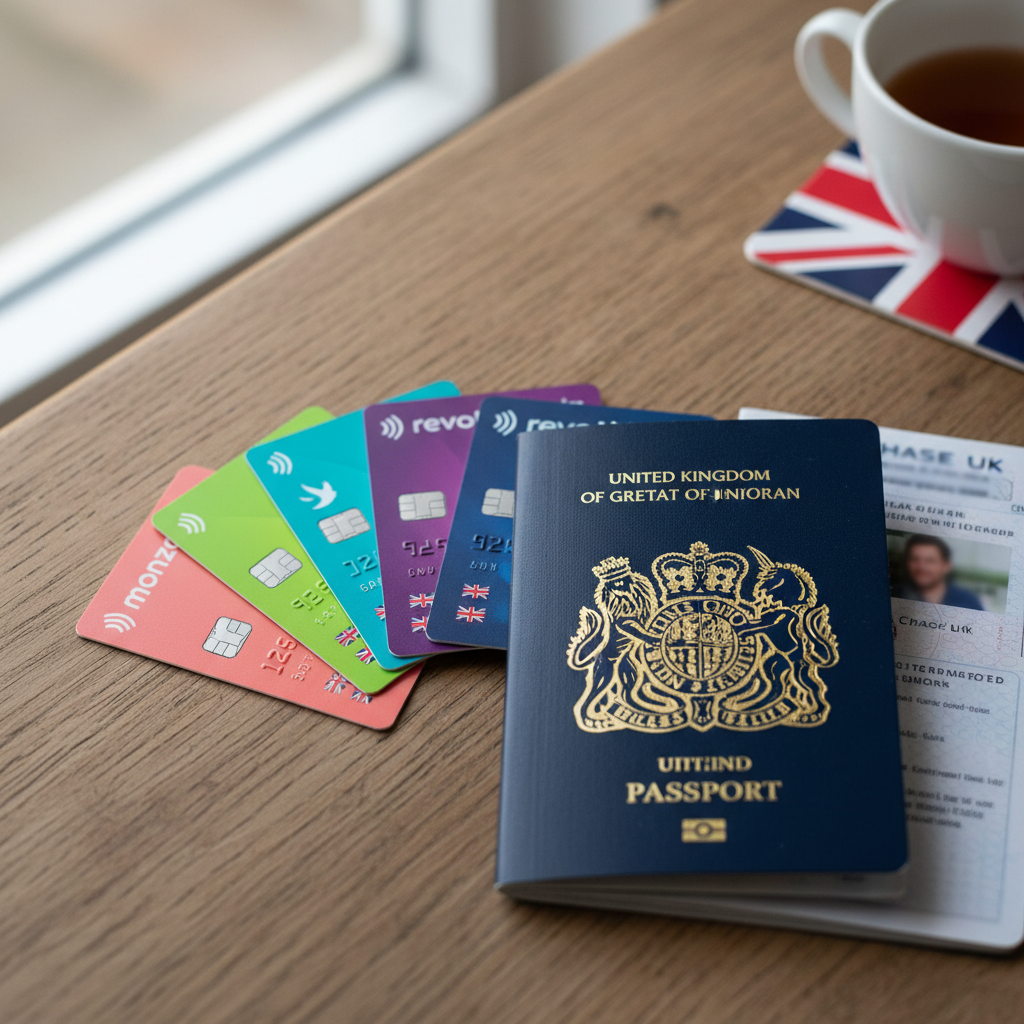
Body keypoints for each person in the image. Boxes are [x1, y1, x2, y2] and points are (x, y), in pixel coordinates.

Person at [897, 535, 984, 610]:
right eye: (914, 559)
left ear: (946, 565)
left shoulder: (968, 601)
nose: (921, 567)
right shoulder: (895, 594)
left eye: (930, 561)